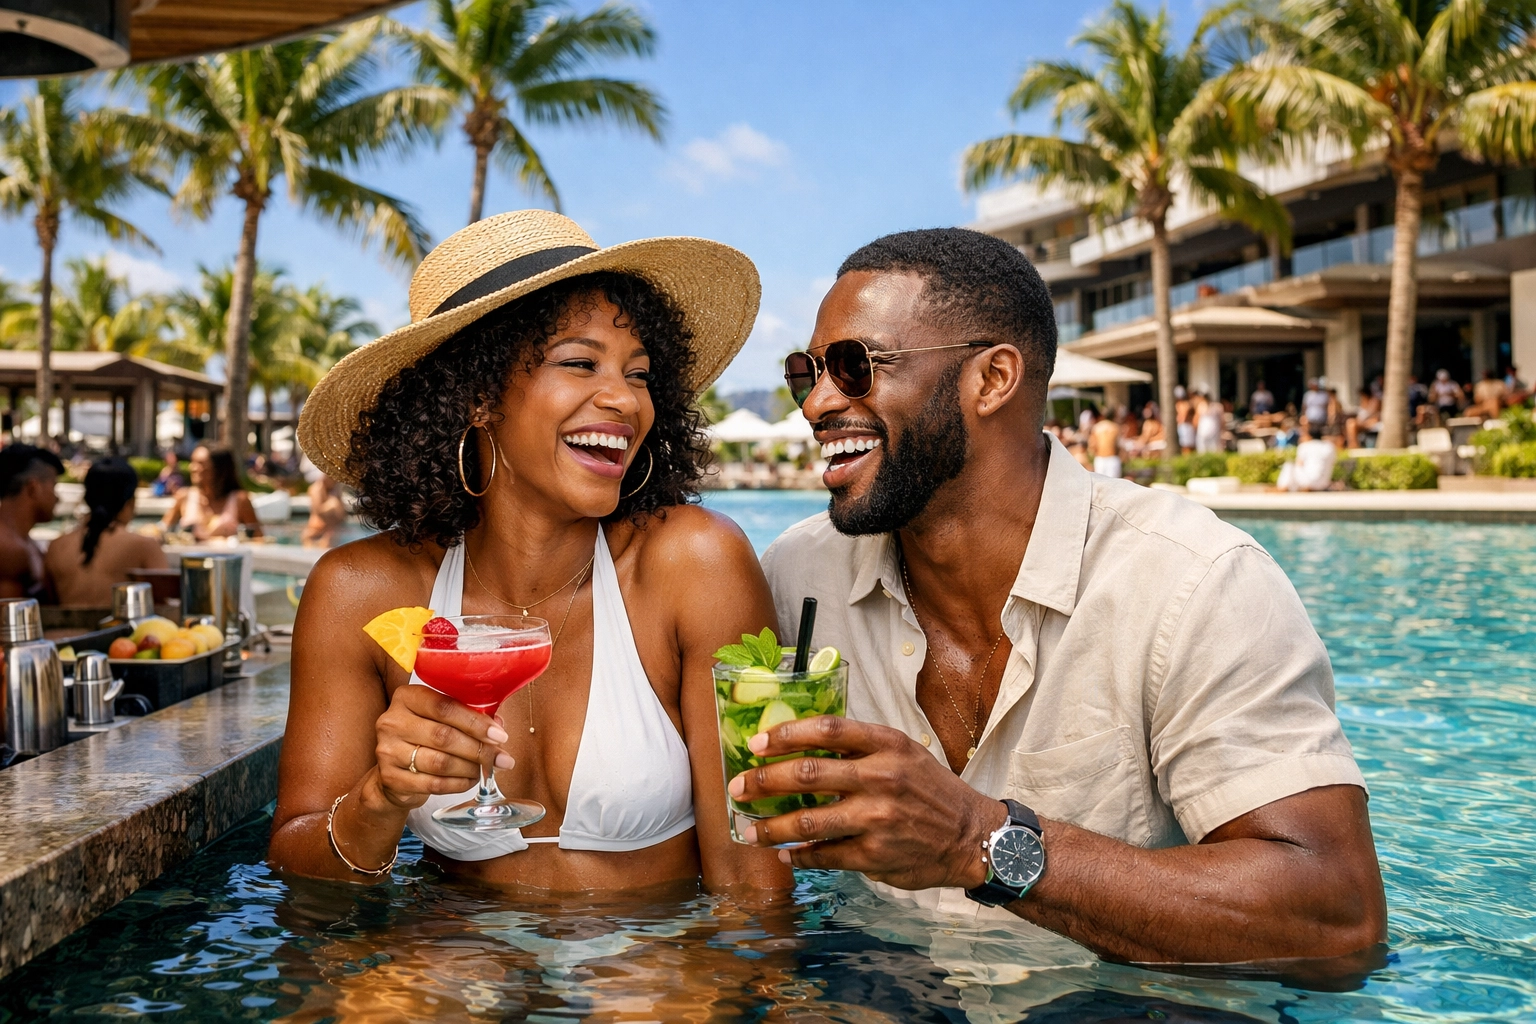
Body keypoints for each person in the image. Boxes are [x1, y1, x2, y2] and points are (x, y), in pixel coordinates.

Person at [743, 227, 1384, 964]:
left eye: (854, 366)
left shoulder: (1196, 582)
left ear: (992, 379)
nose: (816, 402)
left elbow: (1339, 915)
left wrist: (978, 842)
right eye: (807, 372)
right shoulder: (797, 579)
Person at [269, 210, 790, 899]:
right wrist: (379, 798)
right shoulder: (363, 589)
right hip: (455, 962)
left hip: (657, 964)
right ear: (479, 395)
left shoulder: (694, 563)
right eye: (580, 363)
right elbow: (294, 863)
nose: (624, 400)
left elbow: (754, 878)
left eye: (639, 375)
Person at [44, 457, 169, 606]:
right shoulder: (144, 547)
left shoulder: (56, 547)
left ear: (87, 498)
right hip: (126, 629)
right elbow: (164, 605)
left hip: (66, 629)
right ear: (131, 502)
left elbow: (50, 602)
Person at [160, 444, 263, 540]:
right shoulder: (184, 497)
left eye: (200, 464)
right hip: (191, 559)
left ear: (219, 469)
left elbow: (258, 538)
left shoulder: (240, 500)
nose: (193, 468)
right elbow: (162, 529)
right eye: (193, 462)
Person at [0, 445, 62, 601]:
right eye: (54, 486)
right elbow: (7, 621)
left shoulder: (24, 544)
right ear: (33, 488)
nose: (57, 498)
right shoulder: (10, 550)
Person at [300, 472, 348, 549]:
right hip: (317, 527)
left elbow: (342, 513)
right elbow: (317, 511)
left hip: (331, 529)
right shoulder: (317, 489)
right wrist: (332, 505)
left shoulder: (334, 489)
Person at [1088, 408, 1121, 477]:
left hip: (1100, 459)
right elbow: (1118, 445)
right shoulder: (1115, 427)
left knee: (1100, 484)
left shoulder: (1097, 427)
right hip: (1112, 458)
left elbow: (1092, 445)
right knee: (1114, 484)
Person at [1174, 386, 1195, 452]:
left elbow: (1183, 417)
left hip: (1185, 427)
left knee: (1186, 447)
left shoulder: (1183, 405)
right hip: (1185, 426)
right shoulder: (1186, 404)